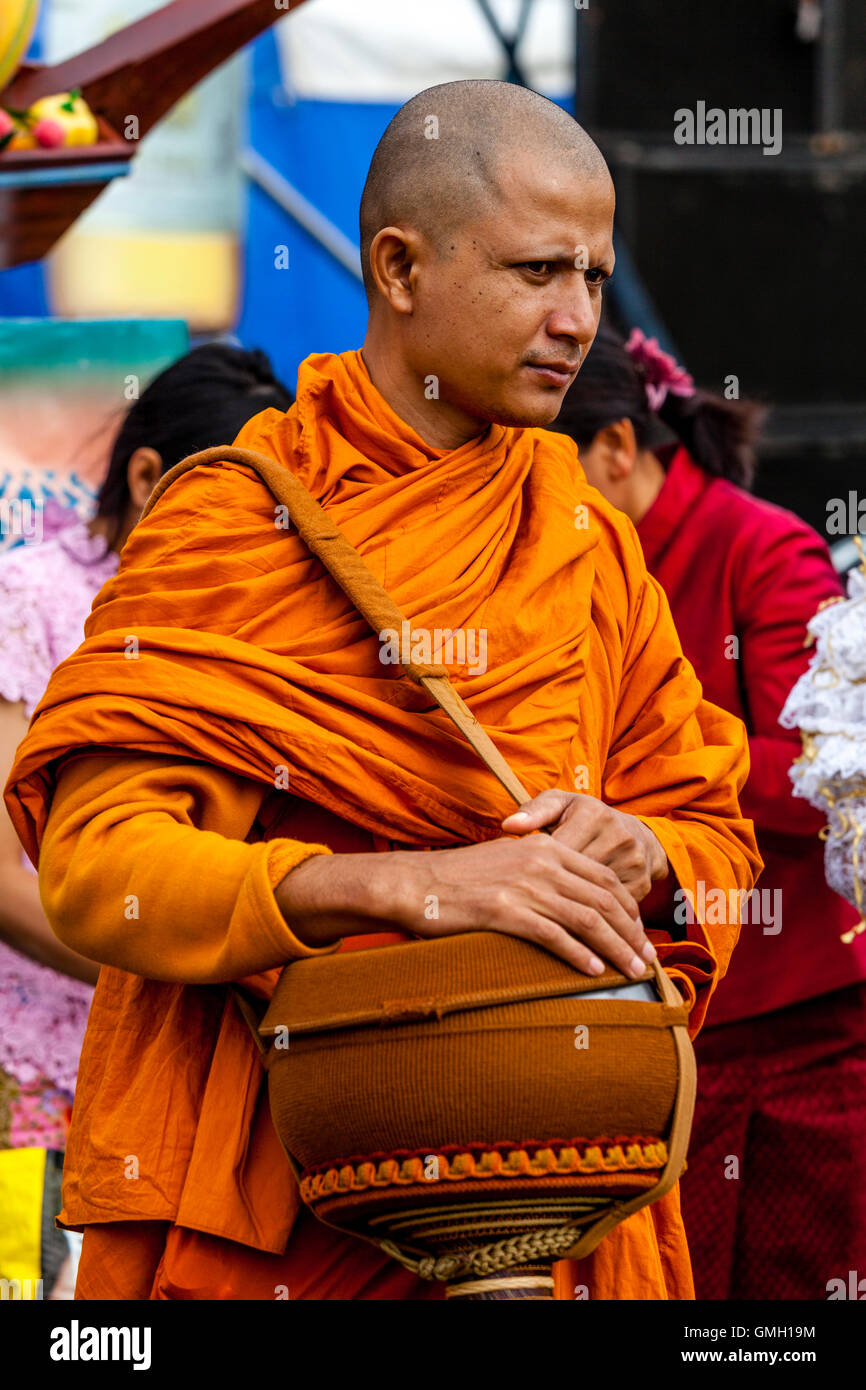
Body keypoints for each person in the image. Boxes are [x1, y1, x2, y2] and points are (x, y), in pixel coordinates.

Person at [4, 80, 761, 1302]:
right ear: (397, 268)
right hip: (283, 1179)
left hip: (554, 1186)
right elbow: (99, 874)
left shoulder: (580, 532)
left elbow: (709, 833)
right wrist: (397, 887)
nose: (578, 321)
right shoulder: (232, 516)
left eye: (590, 275)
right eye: (533, 273)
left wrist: (642, 853)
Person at [553, 324, 866, 1299]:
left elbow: (827, 782)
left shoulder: (756, 546)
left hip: (798, 1020)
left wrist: (666, 763)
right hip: (656, 1016)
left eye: (536, 468)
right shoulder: (569, 573)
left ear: (612, 449)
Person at [0, 343, 293, 1298]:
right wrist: (200, 970)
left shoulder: (251, 620)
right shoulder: (32, 600)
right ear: (145, 478)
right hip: (40, 1074)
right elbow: (6, 875)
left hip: (192, 1076)